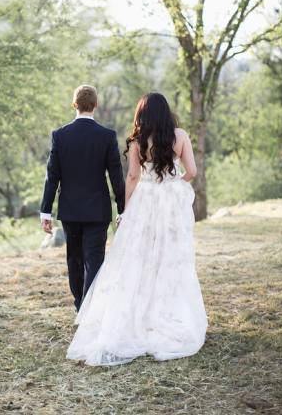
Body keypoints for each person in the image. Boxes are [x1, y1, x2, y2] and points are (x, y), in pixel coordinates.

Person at [66, 92, 208, 366]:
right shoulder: (180, 136)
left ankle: (136, 315)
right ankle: (167, 311)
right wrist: (173, 181)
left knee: (138, 257)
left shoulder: (137, 140)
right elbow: (191, 171)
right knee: (169, 256)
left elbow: (132, 177)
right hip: (167, 200)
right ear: (165, 111)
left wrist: (126, 211)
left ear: (142, 113)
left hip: (145, 199)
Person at [40, 84, 125, 312]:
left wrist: (45, 211)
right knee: (94, 260)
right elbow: (116, 176)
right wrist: (123, 208)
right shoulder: (107, 136)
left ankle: (81, 305)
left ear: (74, 105)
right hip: (98, 211)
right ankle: (90, 308)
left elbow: (52, 176)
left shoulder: (60, 136)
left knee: (75, 260)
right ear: (96, 105)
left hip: (70, 210)